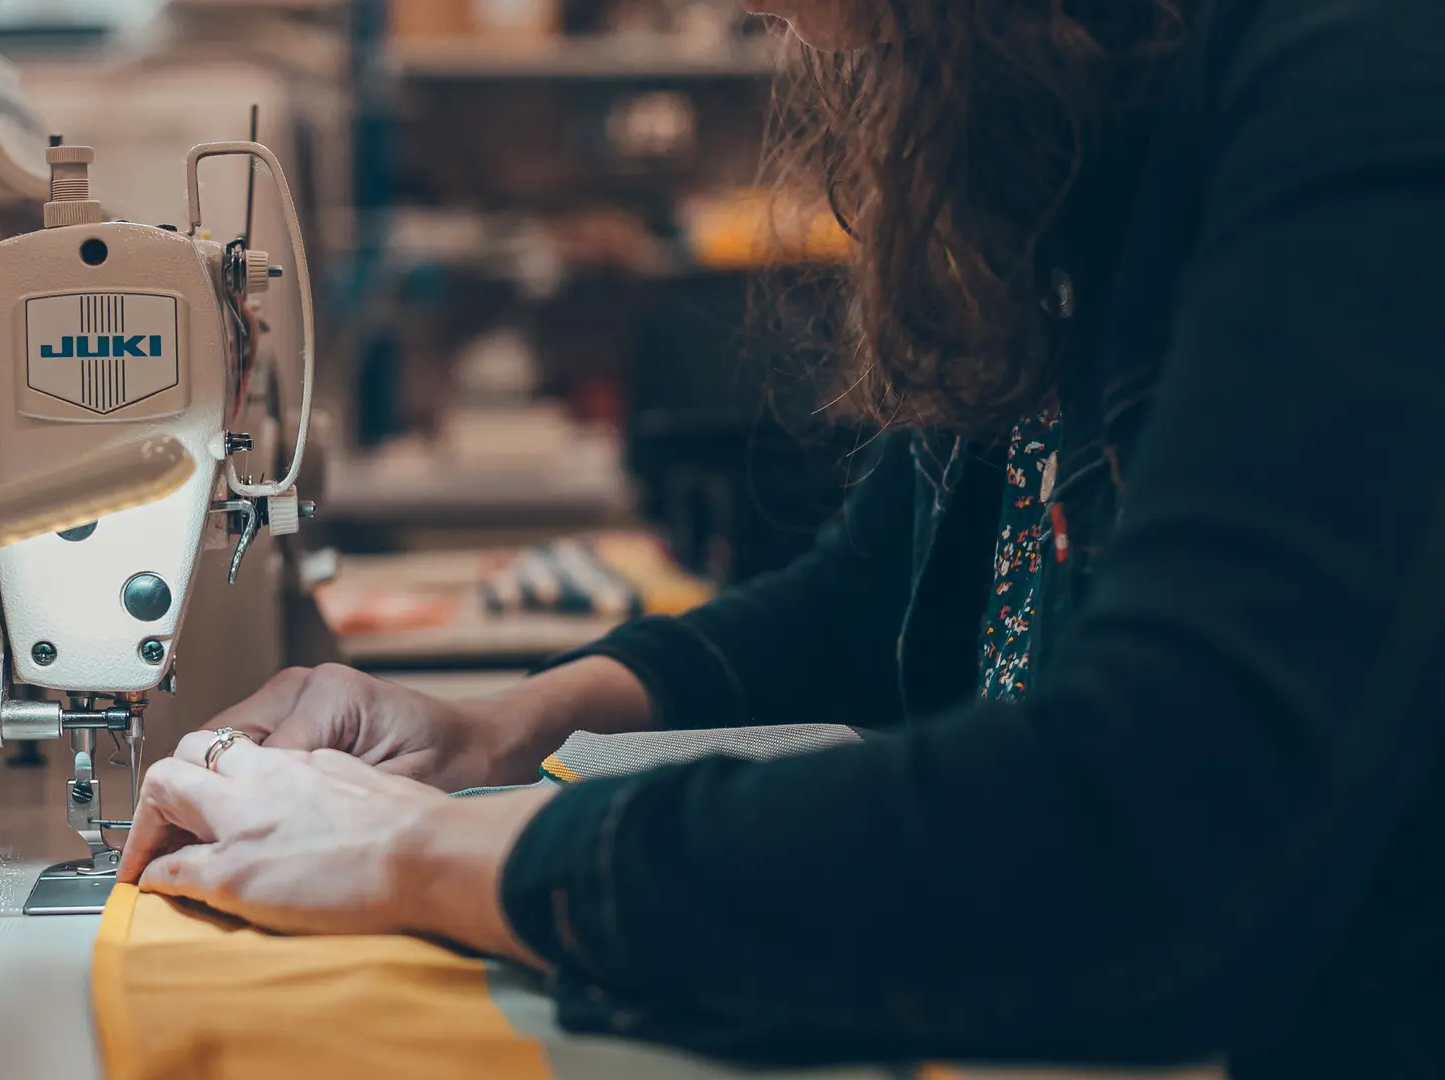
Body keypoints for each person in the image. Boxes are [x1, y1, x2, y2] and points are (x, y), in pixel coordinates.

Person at [117, 0, 1445, 1074]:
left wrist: (425, 854)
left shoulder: (1357, 70)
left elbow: (1147, 831)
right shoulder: (1065, 100)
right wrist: (498, 730)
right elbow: (879, 605)